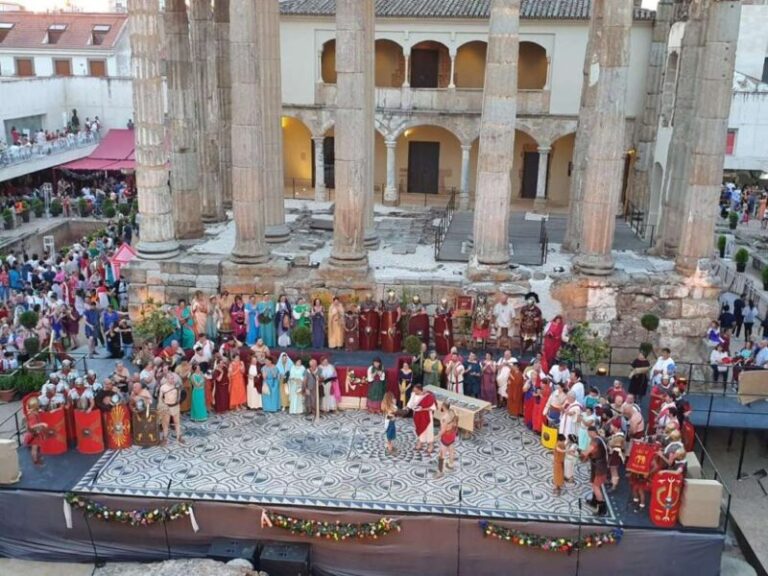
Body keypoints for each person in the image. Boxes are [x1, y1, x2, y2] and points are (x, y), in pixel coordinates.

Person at [581, 426, 608, 516]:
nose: (588, 435)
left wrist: (580, 452)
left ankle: (602, 509)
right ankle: (594, 501)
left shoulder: (596, 441)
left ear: (592, 432)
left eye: (589, 433)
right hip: (596, 465)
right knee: (593, 483)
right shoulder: (600, 439)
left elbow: (587, 452)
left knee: (596, 486)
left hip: (600, 467)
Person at [408, 383, 436, 455]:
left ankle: (431, 445)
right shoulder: (413, 395)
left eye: (416, 391)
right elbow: (410, 405)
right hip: (417, 416)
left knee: (429, 430)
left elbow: (432, 408)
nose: (414, 392)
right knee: (420, 428)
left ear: (419, 390)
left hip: (426, 416)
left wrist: (422, 409)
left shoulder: (428, 396)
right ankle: (421, 442)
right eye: (414, 390)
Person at [435, 400, 459, 479]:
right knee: (451, 450)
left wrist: (436, 437)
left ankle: (440, 471)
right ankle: (451, 465)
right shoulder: (452, 412)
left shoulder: (444, 418)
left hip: (446, 436)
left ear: (443, 406)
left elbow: (443, 430)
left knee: (441, 454)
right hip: (452, 434)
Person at [158, 372, 183, 444]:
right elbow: (160, 398)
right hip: (167, 407)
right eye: (171, 378)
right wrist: (161, 407)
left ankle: (179, 437)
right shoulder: (163, 387)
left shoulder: (176, 386)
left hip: (175, 406)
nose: (172, 380)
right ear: (167, 379)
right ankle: (165, 438)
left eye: (173, 378)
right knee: (165, 424)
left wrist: (178, 398)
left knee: (177, 422)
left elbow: (179, 395)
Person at [24, 396, 47, 467]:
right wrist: (41, 425)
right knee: (34, 449)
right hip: (34, 434)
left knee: (36, 448)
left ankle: (37, 459)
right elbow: (31, 426)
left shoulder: (33, 413)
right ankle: (36, 462)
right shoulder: (32, 415)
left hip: (35, 433)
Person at [382, 391, 398, 455]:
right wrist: (392, 417)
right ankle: (390, 449)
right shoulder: (392, 407)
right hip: (390, 423)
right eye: (393, 398)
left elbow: (388, 416)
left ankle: (390, 446)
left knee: (389, 435)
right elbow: (390, 415)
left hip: (388, 422)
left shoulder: (386, 406)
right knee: (389, 436)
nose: (395, 399)